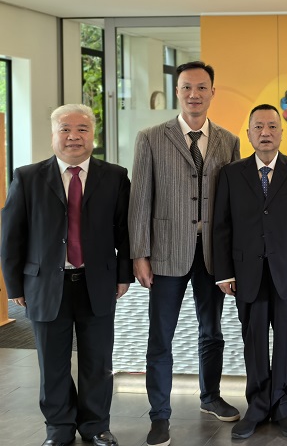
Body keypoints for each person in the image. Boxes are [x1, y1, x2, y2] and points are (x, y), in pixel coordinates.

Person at [1, 104, 131, 446]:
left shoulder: (115, 176)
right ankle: (58, 427)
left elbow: (125, 232)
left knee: (97, 361)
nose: (74, 136)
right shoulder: (27, 177)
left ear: (93, 134)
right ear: (53, 135)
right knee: (53, 363)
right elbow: (12, 236)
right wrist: (14, 285)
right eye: (65, 129)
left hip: (96, 283)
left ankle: (96, 426)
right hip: (45, 285)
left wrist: (124, 275)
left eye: (82, 129)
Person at [129, 61, 241, 446]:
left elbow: (234, 205)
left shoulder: (229, 140)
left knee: (212, 331)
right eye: (187, 87)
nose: (194, 94)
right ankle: (159, 415)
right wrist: (139, 254)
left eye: (202, 87)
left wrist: (233, 258)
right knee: (161, 337)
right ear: (177, 91)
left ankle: (210, 397)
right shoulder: (150, 138)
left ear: (212, 92)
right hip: (165, 253)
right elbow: (140, 199)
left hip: (213, 255)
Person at [213, 104, 287, 440]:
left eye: (272, 126)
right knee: (254, 342)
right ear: (248, 134)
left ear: (282, 132)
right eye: (258, 127)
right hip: (247, 273)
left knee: (286, 342)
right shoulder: (231, 174)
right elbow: (221, 226)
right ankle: (257, 407)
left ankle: (284, 408)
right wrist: (224, 272)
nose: (265, 133)